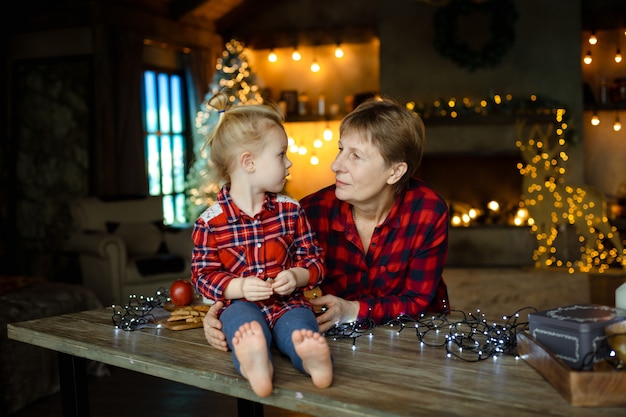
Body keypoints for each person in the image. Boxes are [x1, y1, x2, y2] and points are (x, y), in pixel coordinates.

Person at [202, 97, 450, 350]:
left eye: (356, 156)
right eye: (341, 149)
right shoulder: (308, 211)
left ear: (395, 172)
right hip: (337, 340)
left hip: (419, 337)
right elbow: (258, 270)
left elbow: (418, 300)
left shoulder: (427, 212)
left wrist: (353, 309)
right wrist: (218, 312)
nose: (335, 165)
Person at [190, 93, 333, 398]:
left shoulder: (291, 210)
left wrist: (297, 276)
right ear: (249, 162)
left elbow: (315, 261)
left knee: (299, 324)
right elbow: (203, 278)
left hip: (287, 303)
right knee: (243, 325)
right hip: (239, 306)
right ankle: (255, 362)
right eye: (281, 154)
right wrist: (239, 288)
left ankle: (311, 358)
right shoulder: (210, 222)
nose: (289, 161)